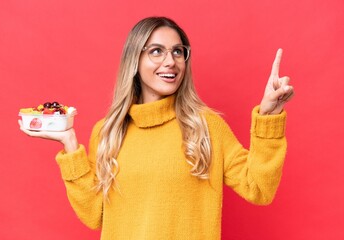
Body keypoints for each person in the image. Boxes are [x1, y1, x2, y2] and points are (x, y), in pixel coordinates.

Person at [19, 16, 294, 240]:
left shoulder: (206, 126)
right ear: (134, 62)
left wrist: (269, 116)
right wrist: (70, 146)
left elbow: (259, 188)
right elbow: (94, 215)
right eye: (156, 51)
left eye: (178, 51)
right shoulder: (108, 132)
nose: (170, 61)